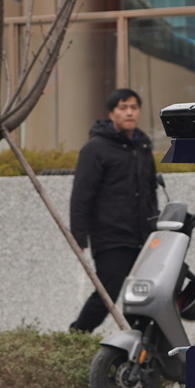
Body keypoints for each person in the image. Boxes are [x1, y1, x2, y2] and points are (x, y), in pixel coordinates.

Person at [68, 88, 159, 332]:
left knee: (146, 293)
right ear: (111, 113)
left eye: (134, 107)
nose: (129, 113)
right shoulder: (95, 148)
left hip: (143, 236)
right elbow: (81, 196)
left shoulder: (142, 145)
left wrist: (156, 224)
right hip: (111, 237)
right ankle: (76, 335)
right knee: (106, 294)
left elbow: (150, 190)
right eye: (123, 107)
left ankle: (144, 344)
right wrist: (79, 236)